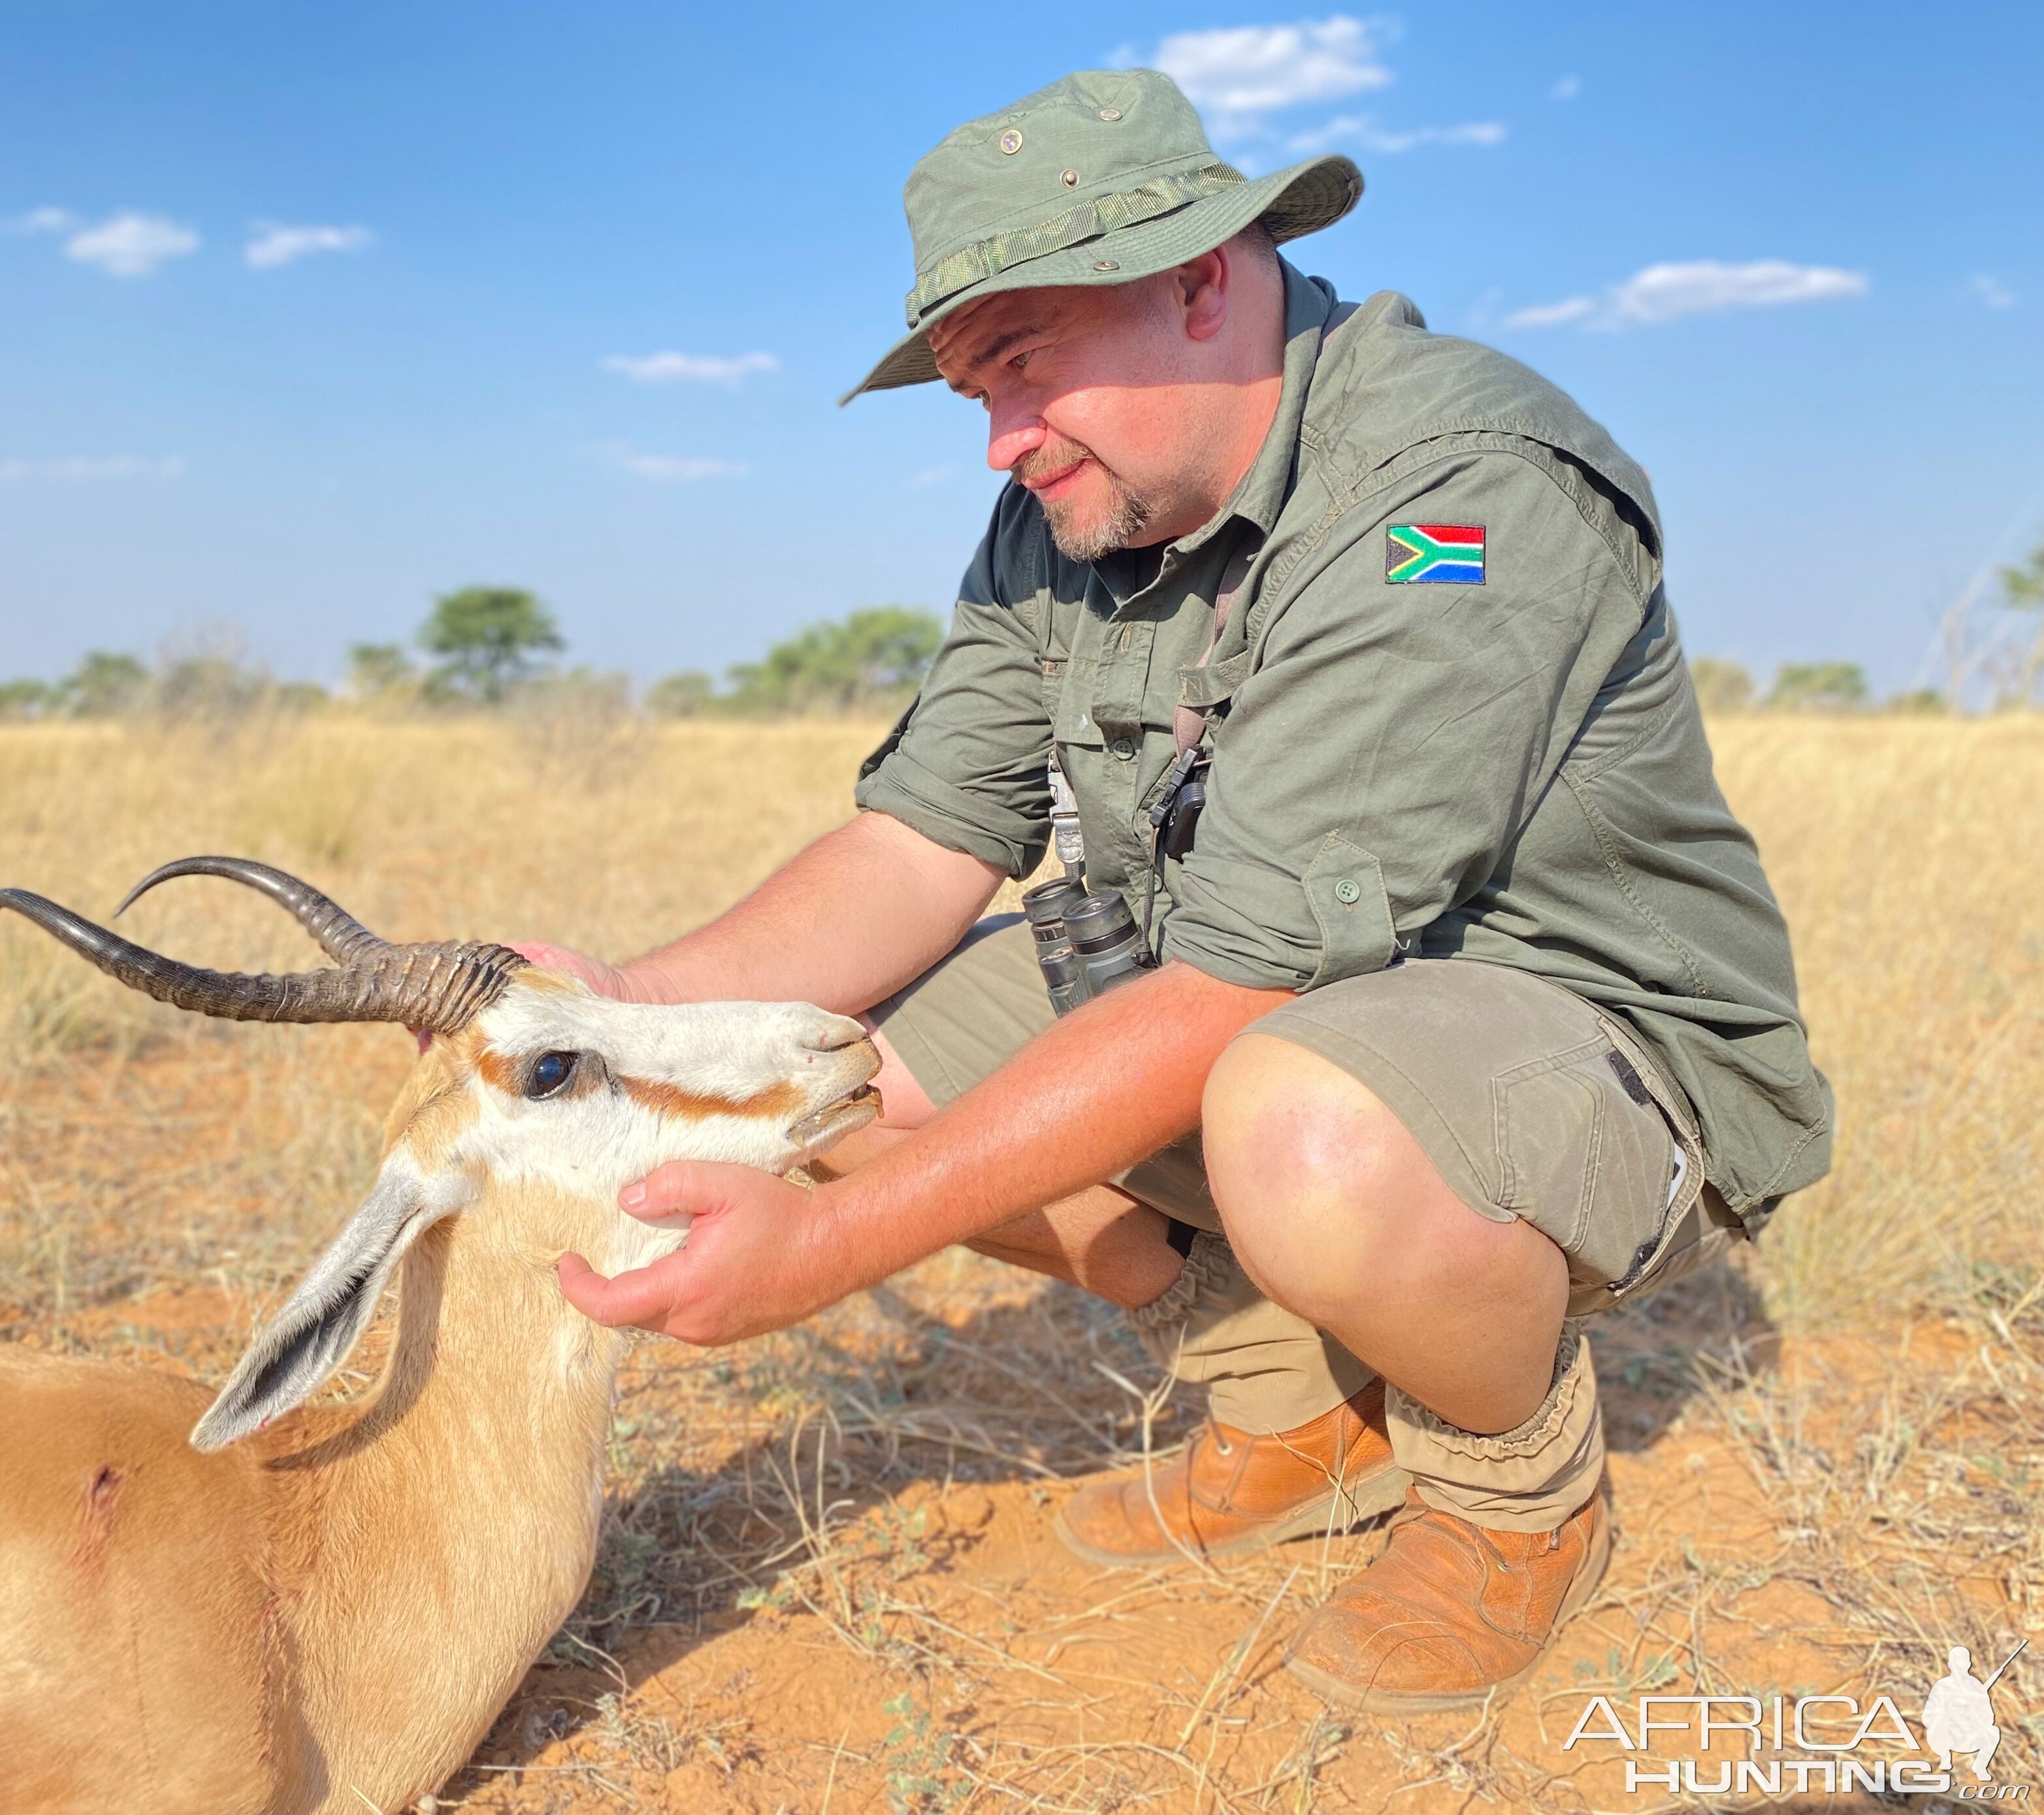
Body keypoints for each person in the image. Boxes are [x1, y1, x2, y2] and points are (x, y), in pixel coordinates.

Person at [522, 67, 1831, 1713]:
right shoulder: (1058, 522)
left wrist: (832, 1246)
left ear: (1204, 276)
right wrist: (616, 1011)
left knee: (1310, 1127)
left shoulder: (1453, 500)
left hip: (1569, 1031)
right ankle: (1295, 1414)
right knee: (809, 1066)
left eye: (1024, 362)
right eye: (967, 388)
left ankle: (1512, 1493)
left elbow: (1239, 992)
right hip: (1253, 993)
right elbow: (922, 843)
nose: (1001, 440)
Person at [1923, 1646, 2003, 1780]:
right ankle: (1945, 1757)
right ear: (1950, 1665)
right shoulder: (1942, 1685)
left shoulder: (1976, 1686)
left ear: (1969, 1665)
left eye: (1963, 1662)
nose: (1960, 1666)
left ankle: (1980, 1766)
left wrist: (1974, 1713)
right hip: (1946, 1733)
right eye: (1956, 1662)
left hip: (1969, 1736)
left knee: (1994, 1732)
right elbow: (1929, 1715)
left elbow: (1989, 1716)